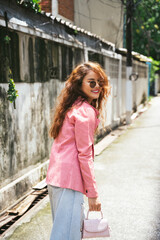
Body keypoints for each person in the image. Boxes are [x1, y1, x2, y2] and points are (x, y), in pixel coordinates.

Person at [46, 62, 110, 240]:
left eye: (100, 82)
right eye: (91, 82)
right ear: (79, 83)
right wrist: (93, 194)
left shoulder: (72, 107)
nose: (97, 86)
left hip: (57, 179)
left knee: (62, 233)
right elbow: (85, 156)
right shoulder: (85, 111)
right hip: (69, 181)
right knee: (66, 236)